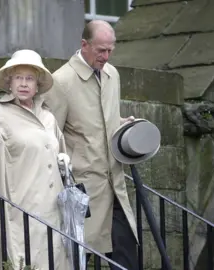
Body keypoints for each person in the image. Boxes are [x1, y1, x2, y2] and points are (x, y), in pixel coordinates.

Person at [43, 20, 139, 269]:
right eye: (101, 50)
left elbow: (101, 121)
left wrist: (123, 124)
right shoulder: (61, 81)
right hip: (83, 191)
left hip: (115, 185)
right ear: (84, 45)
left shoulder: (112, 75)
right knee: (79, 260)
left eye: (111, 50)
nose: (106, 56)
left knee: (128, 257)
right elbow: (52, 137)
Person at [0, 49, 71, 270]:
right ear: (9, 83)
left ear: (37, 85)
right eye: (18, 78)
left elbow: (59, 151)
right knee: (24, 258)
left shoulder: (48, 117)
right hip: (21, 207)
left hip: (53, 207)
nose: (24, 84)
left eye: (29, 78)